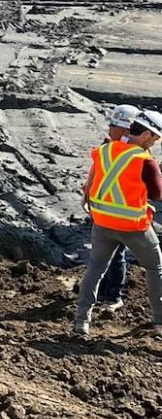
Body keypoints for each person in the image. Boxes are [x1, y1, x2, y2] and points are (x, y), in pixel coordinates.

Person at [73, 109, 162, 336]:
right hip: (134, 226)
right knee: (155, 267)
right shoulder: (145, 161)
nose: (156, 143)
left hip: (103, 223)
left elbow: (105, 181)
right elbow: (157, 193)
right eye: (156, 138)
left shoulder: (105, 150)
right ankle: (159, 320)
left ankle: (81, 321)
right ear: (147, 135)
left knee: (95, 268)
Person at [97, 104, 141, 312]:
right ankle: (103, 292)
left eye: (113, 125)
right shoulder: (109, 146)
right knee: (103, 254)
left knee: (115, 255)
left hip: (120, 213)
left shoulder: (133, 151)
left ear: (125, 129)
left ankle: (113, 296)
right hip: (104, 211)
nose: (109, 128)